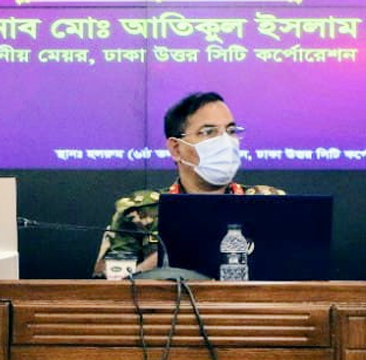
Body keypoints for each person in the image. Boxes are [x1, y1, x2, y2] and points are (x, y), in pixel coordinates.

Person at [91, 91, 283, 278]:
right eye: (209, 132)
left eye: (231, 131)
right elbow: (106, 291)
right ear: (176, 148)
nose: (226, 141)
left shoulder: (270, 204)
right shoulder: (139, 211)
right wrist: (165, 261)